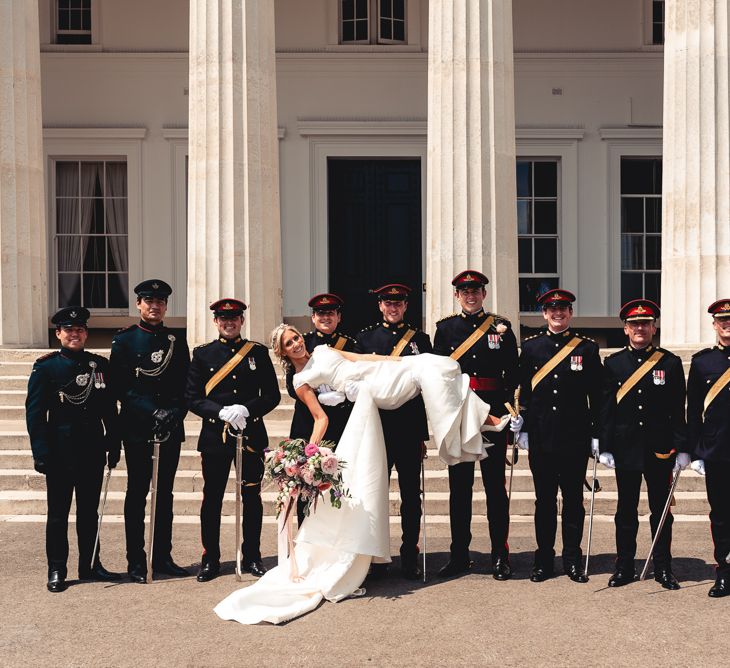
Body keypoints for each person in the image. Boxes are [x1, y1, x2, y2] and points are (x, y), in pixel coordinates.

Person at [214, 326, 508, 625]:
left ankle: (478, 424)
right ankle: (475, 428)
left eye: (297, 337)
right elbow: (321, 417)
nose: (297, 342)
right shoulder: (300, 380)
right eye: (289, 343)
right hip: (373, 393)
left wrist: (399, 362)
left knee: (436, 365)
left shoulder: (323, 350)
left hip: (377, 373)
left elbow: (362, 356)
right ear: (283, 353)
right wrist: (310, 453)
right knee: (436, 368)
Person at [25, 307, 122, 592]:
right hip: (59, 452)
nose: (74, 334)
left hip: (92, 449)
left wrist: (113, 443)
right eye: (68, 330)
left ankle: (91, 564)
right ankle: (57, 568)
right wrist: (40, 452)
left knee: (89, 512)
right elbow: (35, 414)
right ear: (58, 334)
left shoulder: (99, 365)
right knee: (58, 514)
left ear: (86, 333)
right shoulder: (46, 367)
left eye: (79, 329)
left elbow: (109, 409)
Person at [186, 298, 280, 582]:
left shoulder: (258, 353)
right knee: (212, 499)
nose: (229, 323)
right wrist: (221, 411)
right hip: (216, 436)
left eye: (234, 318)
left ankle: (252, 555)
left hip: (250, 435)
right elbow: (192, 397)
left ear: (241, 321)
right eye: (223, 319)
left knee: (252, 497)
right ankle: (210, 560)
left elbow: (272, 396)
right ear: (216, 321)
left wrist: (247, 409)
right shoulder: (203, 354)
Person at [434, 270, 520, 580]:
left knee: (496, 489)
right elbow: (439, 377)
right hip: (459, 417)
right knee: (459, 490)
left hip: (492, 418)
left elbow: (513, 374)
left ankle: (500, 554)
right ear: (456, 295)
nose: (471, 295)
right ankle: (460, 555)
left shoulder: (502, 328)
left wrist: (513, 412)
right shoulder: (444, 329)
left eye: (476, 290)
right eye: (464, 291)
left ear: (484, 294)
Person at [599, 300, 688, 590]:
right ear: (626, 329)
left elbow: (677, 410)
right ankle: (624, 565)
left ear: (653, 327)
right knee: (626, 510)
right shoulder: (613, 364)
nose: (640, 328)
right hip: (626, 448)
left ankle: (663, 566)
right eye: (634, 324)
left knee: (661, 511)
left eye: (646, 323)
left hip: (660, 449)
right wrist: (604, 444)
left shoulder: (669, 362)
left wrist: (682, 447)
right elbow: (606, 408)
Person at [516, 288, 602, 583]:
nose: (558, 313)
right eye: (552, 309)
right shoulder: (531, 348)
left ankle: (572, 559)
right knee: (544, 501)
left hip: (575, 438)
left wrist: (596, 434)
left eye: (563, 309)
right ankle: (543, 559)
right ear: (544, 313)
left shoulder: (586, 349)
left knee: (574, 501)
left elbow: (598, 395)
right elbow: (523, 393)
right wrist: (523, 428)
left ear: (570, 313)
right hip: (541, 437)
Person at [109, 279, 190, 583]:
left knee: (165, 494)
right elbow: (120, 385)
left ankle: (163, 556)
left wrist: (175, 413)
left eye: (160, 302)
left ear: (166, 306)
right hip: (137, 427)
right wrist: (152, 410)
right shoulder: (125, 340)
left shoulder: (175, 339)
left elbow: (186, 383)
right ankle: (136, 560)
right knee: (137, 492)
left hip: (170, 426)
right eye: (148, 301)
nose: (154, 306)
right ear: (139, 305)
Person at [355, 283, 433, 580]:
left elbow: (427, 389)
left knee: (411, 496)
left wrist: (424, 437)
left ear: (405, 306)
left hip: (410, 429)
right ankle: (376, 557)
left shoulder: (421, 340)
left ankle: (410, 554)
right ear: (380, 306)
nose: (393, 307)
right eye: (388, 303)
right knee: (374, 494)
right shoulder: (364, 339)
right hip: (378, 428)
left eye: (398, 303)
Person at [292, 293, 356, 525]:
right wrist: (317, 395)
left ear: (339, 317)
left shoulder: (351, 344)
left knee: (341, 486)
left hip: (342, 425)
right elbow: (293, 383)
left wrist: (346, 393)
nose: (325, 317)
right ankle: (305, 543)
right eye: (321, 313)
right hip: (308, 424)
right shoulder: (303, 344)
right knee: (306, 487)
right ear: (313, 317)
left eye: (331, 313)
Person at [687, 298, 730, 598]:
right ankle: (724, 571)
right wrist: (695, 450)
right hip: (717, 452)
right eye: (722, 320)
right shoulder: (702, 362)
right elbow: (693, 412)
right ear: (714, 324)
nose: (727, 324)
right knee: (722, 515)